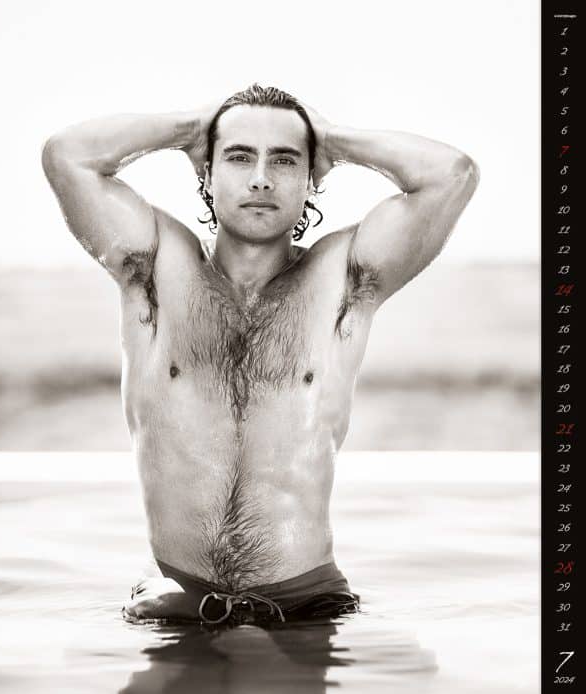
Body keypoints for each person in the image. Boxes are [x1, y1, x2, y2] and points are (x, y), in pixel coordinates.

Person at [41, 83, 479, 626]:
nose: (261, 178)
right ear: (207, 172)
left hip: (307, 603)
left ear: (310, 178)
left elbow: (451, 174)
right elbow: (68, 157)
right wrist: (190, 128)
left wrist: (331, 138)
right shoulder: (156, 264)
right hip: (181, 603)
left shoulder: (342, 277)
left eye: (285, 160)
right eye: (239, 156)